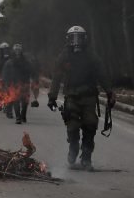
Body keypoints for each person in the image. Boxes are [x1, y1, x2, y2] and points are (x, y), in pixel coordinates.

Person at [47, 26, 116, 170]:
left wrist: (109, 92)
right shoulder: (64, 56)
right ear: (68, 39)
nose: (76, 41)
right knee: (72, 126)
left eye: (79, 37)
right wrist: (52, 97)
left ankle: (86, 157)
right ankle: (73, 147)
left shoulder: (91, 56)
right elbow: (56, 77)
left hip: (89, 97)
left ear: (85, 39)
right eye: (73, 38)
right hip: (71, 96)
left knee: (90, 126)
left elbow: (102, 74)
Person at [2, 43, 39, 124]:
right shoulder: (9, 62)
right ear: (13, 51)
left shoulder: (26, 62)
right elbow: (5, 73)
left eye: (19, 50)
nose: (17, 52)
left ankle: (23, 115)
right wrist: (6, 83)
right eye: (16, 50)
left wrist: (35, 80)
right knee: (16, 100)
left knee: (25, 101)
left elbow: (32, 71)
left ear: (21, 51)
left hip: (25, 84)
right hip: (14, 84)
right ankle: (18, 117)